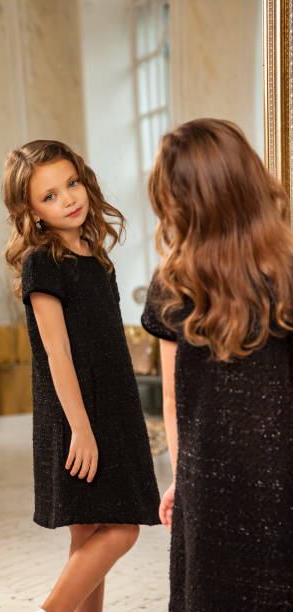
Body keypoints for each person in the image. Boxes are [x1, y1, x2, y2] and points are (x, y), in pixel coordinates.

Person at [2, 139, 161, 612]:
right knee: (123, 528)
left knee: (88, 535)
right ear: (30, 211)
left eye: (71, 184)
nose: (68, 199)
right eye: (49, 196)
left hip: (113, 403)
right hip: (77, 413)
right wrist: (81, 429)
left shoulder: (95, 252)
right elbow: (56, 353)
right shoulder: (42, 263)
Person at [141, 117, 293, 611]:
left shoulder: (173, 282)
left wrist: (181, 479)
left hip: (209, 485)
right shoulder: (288, 271)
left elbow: (172, 399)